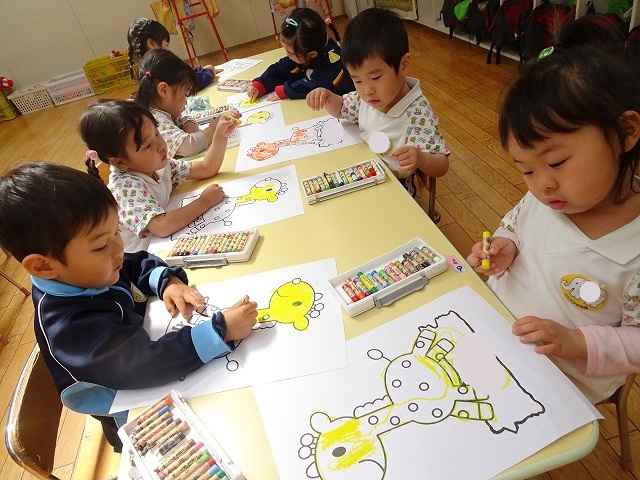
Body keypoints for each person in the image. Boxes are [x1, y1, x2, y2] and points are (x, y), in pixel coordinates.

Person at [0, 162, 258, 451]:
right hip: (134, 414)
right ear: (43, 266)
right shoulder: (68, 327)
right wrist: (219, 331)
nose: (118, 249)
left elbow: (135, 263)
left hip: (148, 355)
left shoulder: (89, 269)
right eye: (101, 245)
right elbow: (144, 365)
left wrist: (167, 282)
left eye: (116, 232)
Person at [466, 44, 640, 404]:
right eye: (526, 170)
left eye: (557, 162)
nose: (542, 184)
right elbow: (514, 226)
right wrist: (505, 245)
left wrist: (576, 342)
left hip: (559, 378)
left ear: (625, 132)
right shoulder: (549, 197)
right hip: (489, 331)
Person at [306, 8, 449, 197]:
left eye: (375, 77)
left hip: (395, 189)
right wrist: (328, 97)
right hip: (363, 174)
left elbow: (442, 164)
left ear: (404, 64)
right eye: (357, 80)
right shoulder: (366, 99)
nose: (367, 90)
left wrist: (422, 159)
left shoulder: (417, 115)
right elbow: (341, 108)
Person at [81, 99, 237, 253]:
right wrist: (204, 202)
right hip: (144, 257)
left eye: (157, 133)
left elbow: (205, 168)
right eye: (148, 145)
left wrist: (220, 136)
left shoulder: (154, 165)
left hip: (168, 242)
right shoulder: (125, 188)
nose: (161, 145)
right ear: (120, 162)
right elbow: (162, 226)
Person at [134, 48, 240, 158]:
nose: (186, 102)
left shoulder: (162, 111)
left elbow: (185, 120)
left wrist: (189, 131)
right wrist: (213, 129)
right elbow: (189, 147)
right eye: (185, 94)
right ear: (164, 90)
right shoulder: (153, 121)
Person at [246, 7, 354, 101]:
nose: (287, 55)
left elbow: (317, 87)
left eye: (290, 53)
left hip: (348, 105)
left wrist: (286, 91)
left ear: (312, 54)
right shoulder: (305, 49)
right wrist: (261, 83)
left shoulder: (332, 61)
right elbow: (283, 68)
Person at [127, 17, 220, 91]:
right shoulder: (161, 65)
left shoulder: (144, 71)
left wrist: (200, 69)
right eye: (166, 45)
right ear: (151, 44)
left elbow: (183, 75)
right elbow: (192, 83)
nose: (167, 49)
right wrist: (210, 71)